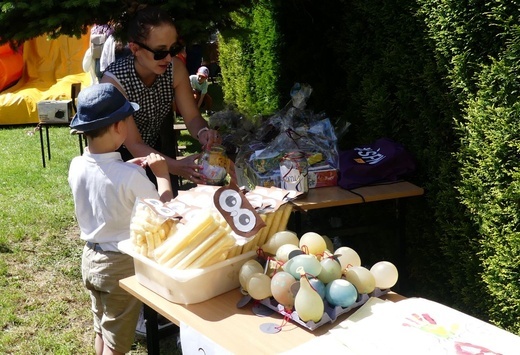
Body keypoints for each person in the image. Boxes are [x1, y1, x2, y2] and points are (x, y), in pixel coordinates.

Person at [68, 83, 173, 355]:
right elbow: (163, 214)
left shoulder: (77, 164)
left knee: (101, 328)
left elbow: (103, 176)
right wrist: (162, 176)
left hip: (90, 259)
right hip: (120, 266)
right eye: (129, 120)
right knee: (116, 346)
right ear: (118, 127)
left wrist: (124, 169)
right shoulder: (131, 178)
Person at [101, 6, 221, 186]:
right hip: (115, 161)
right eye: (159, 52)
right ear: (134, 49)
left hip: (152, 152)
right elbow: (134, 144)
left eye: (173, 49)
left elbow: (193, 117)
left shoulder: (175, 69)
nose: (167, 58)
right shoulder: (114, 82)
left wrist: (203, 133)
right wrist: (177, 167)